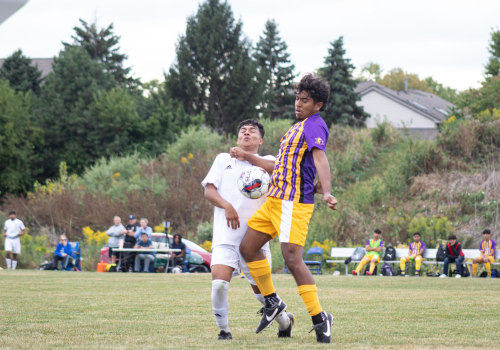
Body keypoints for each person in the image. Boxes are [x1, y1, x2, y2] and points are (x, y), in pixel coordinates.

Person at [238, 74, 337, 343]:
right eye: (297, 98)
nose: (298, 103)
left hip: (293, 205)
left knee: (292, 259)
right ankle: (273, 302)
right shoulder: (298, 126)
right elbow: (281, 166)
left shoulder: (314, 125)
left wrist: (326, 190)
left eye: (305, 100)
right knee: (247, 248)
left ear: (318, 105)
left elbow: (321, 159)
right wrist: (249, 157)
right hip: (274, 202)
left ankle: (320, 318)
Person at [202, 119, 292, 341]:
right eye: (243, 130)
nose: (247, 133)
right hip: (226, 236)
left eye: (253, 131)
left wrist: (247, 157)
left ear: (260, 140)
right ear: (237, 138)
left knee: (264, 297)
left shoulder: (269, 161)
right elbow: (209, 191)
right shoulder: (223, 160)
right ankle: (224, 331)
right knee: (219, 285)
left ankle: (286, 322)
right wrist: (227, 206)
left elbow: (280, 170)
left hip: (254, 240)